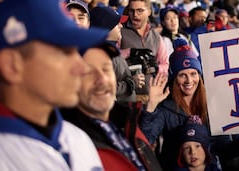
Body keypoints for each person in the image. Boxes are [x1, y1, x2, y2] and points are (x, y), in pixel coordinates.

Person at [0, 0, 107, 170]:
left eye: (77, 51)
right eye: (64, 52)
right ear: (11, 65)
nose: (82, 67)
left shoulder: (78, 138)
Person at [140, 39, 239, 171]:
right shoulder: (165, 108)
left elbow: (225, 151)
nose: (189, 80)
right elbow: (144, 141)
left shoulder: (213, 106)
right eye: (182, 75)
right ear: (174, 79)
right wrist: (150, 107)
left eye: (193, 74)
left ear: (200, 76)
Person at [61, 40, 164, 171]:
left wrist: (150, 106)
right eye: (88, 72)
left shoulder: (124, 120)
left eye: (106, 69)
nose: (102, 79)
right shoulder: (68, 146)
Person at [90, 6, 146, 103]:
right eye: (117, 24)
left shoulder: (110, 49)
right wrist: (132, 83)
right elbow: (102, 89)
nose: (121, 26)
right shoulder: (101, 54)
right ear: (106, 28)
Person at [120, 0, 169, 101]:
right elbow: (112, 58)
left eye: (140, 11)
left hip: (152, 97)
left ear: (149, 12)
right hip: (128, 97)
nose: (135, 15)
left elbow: (165, 64)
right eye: (131, 11)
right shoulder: (120, 32)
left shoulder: (156, 36)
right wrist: (129, 52)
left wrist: (157, 68)